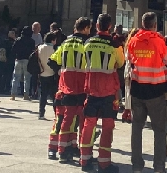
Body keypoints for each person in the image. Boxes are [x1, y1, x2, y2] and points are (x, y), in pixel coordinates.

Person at [127, 12, 167, 173]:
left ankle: (137, 166)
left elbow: (130, 59)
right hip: (155, 90)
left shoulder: (133, 40)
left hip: (137, 89)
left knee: (137, 128)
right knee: (159, 131)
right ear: (155, 25)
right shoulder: (159, 41)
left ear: (142, 23)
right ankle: (159, 168)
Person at [79, 14, 125, 173]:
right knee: (107, 126)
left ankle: (84, 160)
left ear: (96, 26)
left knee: (88, 125)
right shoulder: (114, 43)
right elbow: (121, 62)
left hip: (91, 89)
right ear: (110, 26)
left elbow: (85, 62)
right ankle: (104, 163)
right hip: (109, 91)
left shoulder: (88, 42)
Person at [46, 17, 90, 163]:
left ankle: (64, 150)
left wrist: (60, 71)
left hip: (64, 86)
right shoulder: (86, 43)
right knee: (79, 120)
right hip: (81, 87)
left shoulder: (65, 42)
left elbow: (51, 61)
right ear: (85, 29)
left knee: (65, 119)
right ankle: (75, 151)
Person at [10, 26, 35, 100]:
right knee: (27, 78)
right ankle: (26, 95)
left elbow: (13, 49)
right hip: (27, 60)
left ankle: (13, 94)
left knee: (15, 77)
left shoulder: (18, 40)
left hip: (18, 59)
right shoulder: (32, 41)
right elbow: (32, 51)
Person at [37, 32, 57, 120]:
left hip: (42, 73)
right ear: (52, 40)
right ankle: (56, 113)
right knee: (54, 95)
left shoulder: (39, 47)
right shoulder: (53, 49)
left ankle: (41, 113)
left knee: (43, 94)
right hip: (52, 74)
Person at [0, 29, 16, 95]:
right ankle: (7, 88)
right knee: (8, 76)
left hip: (2, 61)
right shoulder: (13, 42)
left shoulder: (2, 41)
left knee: (2, 75)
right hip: (10, 61)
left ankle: (0, 88)